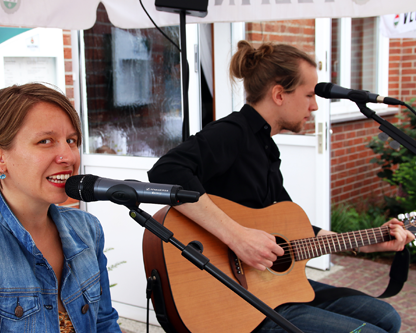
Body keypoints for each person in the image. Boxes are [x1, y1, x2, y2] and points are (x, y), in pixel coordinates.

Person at [148, 41, 415, 333]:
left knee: (387, 317)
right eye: (309, 94)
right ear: (278, 94)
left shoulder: (265, 148)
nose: (314, 105)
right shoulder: (233, 132)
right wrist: (237, 237)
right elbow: (166, 171)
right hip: (234, 300)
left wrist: (365, 244)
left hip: (272, 288)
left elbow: (294, 233)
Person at [0, 83, 122, 332]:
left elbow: (104, 323)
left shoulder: (87, 228)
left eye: (71, 140)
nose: (69, 157)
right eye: (45, 141)